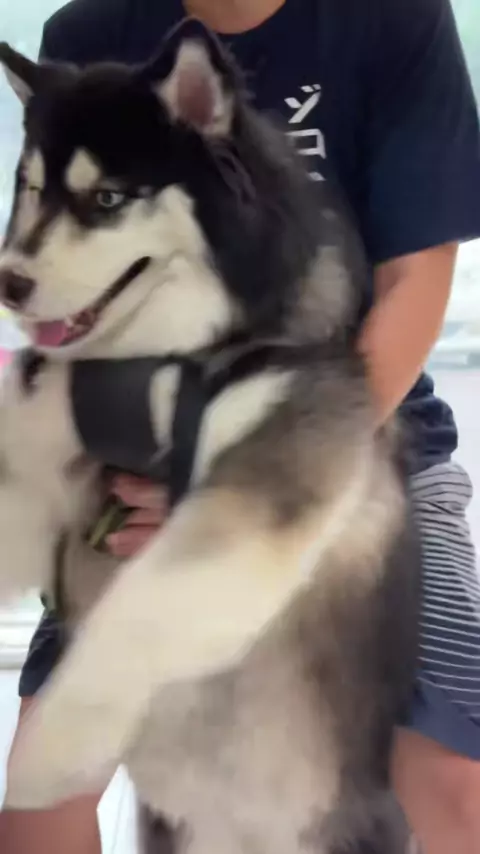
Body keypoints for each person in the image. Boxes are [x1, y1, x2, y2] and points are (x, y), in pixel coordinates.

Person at [1, 0, 480, 852]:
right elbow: (73, 294)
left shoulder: (396, 20)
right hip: (139, 450)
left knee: (456, 783)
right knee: (38, 806)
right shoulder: (87, 35)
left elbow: (416, 283)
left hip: (369, 435)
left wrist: (251, 480)